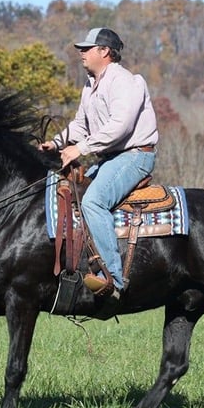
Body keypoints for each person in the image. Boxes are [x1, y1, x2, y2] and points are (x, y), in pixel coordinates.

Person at [40, 27, 158, 301]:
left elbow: (120, 126)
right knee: (70, 194)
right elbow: (81, 125)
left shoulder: (124, 81)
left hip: (135, 156)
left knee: (92, 201)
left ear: (104, 51)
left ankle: (113, 280)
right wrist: (56, 144)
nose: (81, 53)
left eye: (87, 48)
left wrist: (80, 149)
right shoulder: (90, 84)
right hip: (111, 158)